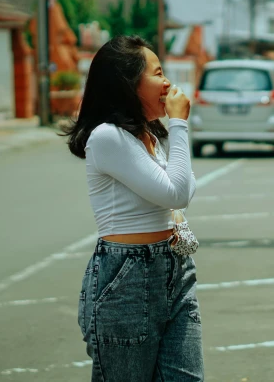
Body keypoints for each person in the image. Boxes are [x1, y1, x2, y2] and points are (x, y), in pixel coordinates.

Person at [63, 36, 202, 381]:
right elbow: (178, 193)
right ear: (129, 84)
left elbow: (184, 185)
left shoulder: (152, 136)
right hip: (127, 275)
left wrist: (173, 132)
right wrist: (180, 125)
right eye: (157, 73)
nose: (167, 82)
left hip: (174, 267)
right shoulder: (108, 137)